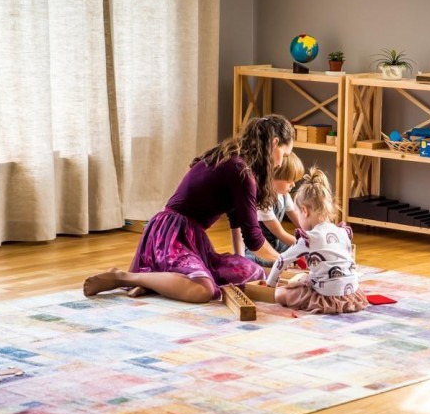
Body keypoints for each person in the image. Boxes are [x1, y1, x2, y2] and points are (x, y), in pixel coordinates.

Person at [83, 114, 295, 303]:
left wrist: (240, 261)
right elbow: (254, 239)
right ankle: (124, 277)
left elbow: (236, 223)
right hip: (171, 235)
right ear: (274, 143)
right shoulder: (242, 171)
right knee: (204, 289)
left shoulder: (236, 162)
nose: (280, 163)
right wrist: (283, 260)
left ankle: (155, 282)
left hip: (186, 236)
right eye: (284, 155)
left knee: (254, 272)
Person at [266, 166, 368, 314]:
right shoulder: (342, 232)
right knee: (306, 278)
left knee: (279, 294)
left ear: (304, 211)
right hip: (350, 293)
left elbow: (281, 261)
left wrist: (270, 285)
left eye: (298, 213)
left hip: (325, 296)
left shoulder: (309, 238)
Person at [244, 152, 305, 268]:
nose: (293, 185)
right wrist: (307, 245)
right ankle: (248, 260)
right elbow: (281, 234)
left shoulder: (284, 195)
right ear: (272, 176)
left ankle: (285, 260)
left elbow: (300, 222)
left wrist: (314, 236)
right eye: (289, 180)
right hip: (259, 247)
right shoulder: (263, 200)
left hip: (275, 243)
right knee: (262, 260)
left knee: (293, 250)